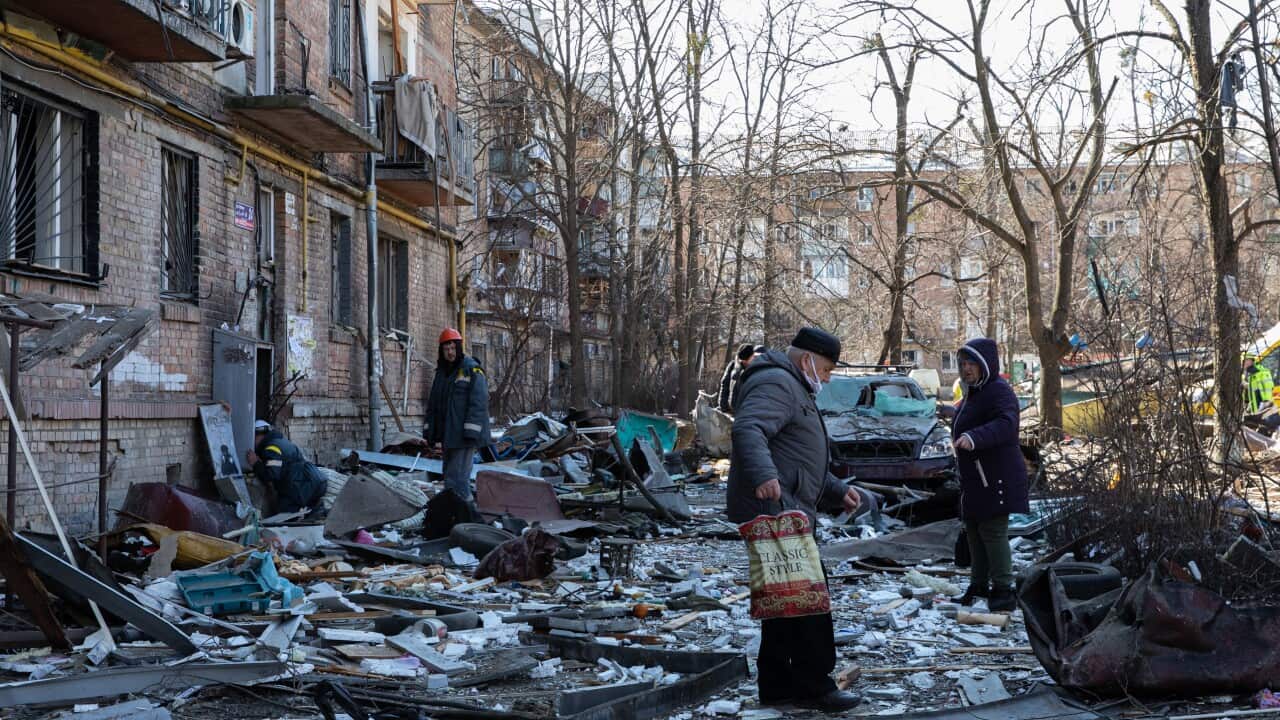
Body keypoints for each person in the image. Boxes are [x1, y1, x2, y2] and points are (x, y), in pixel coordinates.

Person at [727, 327, 862, 711]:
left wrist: (835, 488)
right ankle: (815, 686)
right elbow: (748, 428)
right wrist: (764, 476)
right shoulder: (778, 383)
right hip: (777, 510)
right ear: (808, 361)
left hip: (786, 505)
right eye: (828, 369)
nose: (829, 377)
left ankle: (778, 685)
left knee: (784, 603)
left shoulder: (790, 384)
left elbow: (794, 450)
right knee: (808, 602)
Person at [951, 338, 1029, 612]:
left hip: (996, 476)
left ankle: (1004, 590)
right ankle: (979, 584)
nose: (966, 368)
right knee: (974, 530)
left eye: (971, 363)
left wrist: (974, 437)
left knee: (993, 532)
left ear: (986, 364)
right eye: (962, 363)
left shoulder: (999, 391)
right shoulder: (974, 392)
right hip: (975, 479)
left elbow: (1007, 424)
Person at [426, 327, 490, 502]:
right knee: (449, 477)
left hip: (464, 436)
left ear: (459, 348)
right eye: (446, 349)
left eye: (453, 348)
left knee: (458, 480)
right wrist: (429, 430)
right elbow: (433, 405)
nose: (450, 352)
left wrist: (471, 432)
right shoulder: (441, 374)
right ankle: (455, 514)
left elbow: (479, 402)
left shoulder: (471, 369)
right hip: (449, 436)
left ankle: (465, 514)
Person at [247, 420, 327, 514]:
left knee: (284, 513)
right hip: (312, 481)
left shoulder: (272, 448)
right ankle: (315, 511)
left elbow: (271, 474)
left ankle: (316, 512)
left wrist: (256, 463)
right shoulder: (280, 441)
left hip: (303, 486)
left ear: (259, 435)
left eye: (254, 437)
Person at [717, 343, 761, 413]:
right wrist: (723, 406)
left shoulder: (757, 369)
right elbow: (725, 384)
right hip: (731, 410)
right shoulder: (733, 365)